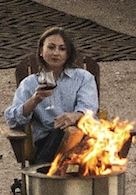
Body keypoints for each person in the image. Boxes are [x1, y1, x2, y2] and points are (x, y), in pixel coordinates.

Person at [6, 26, 99, 170]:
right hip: (47, 142)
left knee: (70, 129)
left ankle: (41, 173)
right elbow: (12, 120)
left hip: (83, 137)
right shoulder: (30, 83)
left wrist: (74, 116)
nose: (56, 53)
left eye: (62, 49)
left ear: (68, 54)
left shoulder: (83, 78)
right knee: (61, 130)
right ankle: (46, 172)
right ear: (41, 51)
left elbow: (89, 108)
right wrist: (35, 100)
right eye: (51, 47)